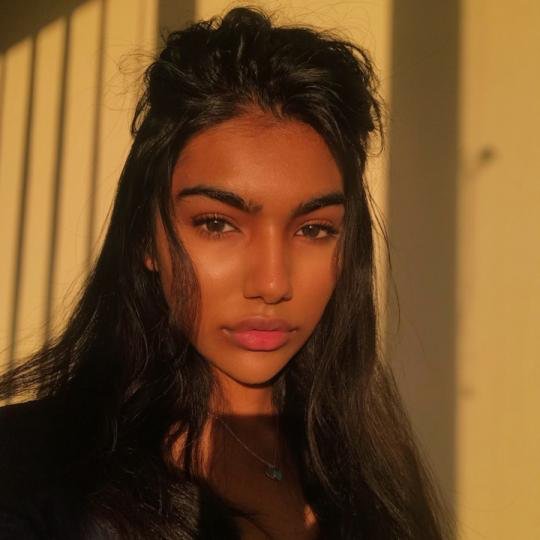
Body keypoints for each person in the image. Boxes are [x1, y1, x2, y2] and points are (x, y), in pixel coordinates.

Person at [0, 7, 449, 539]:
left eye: (314, 229)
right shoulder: (30, 474)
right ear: (144, 237)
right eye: (217, 224)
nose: (272, 283)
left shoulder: (368, 465)